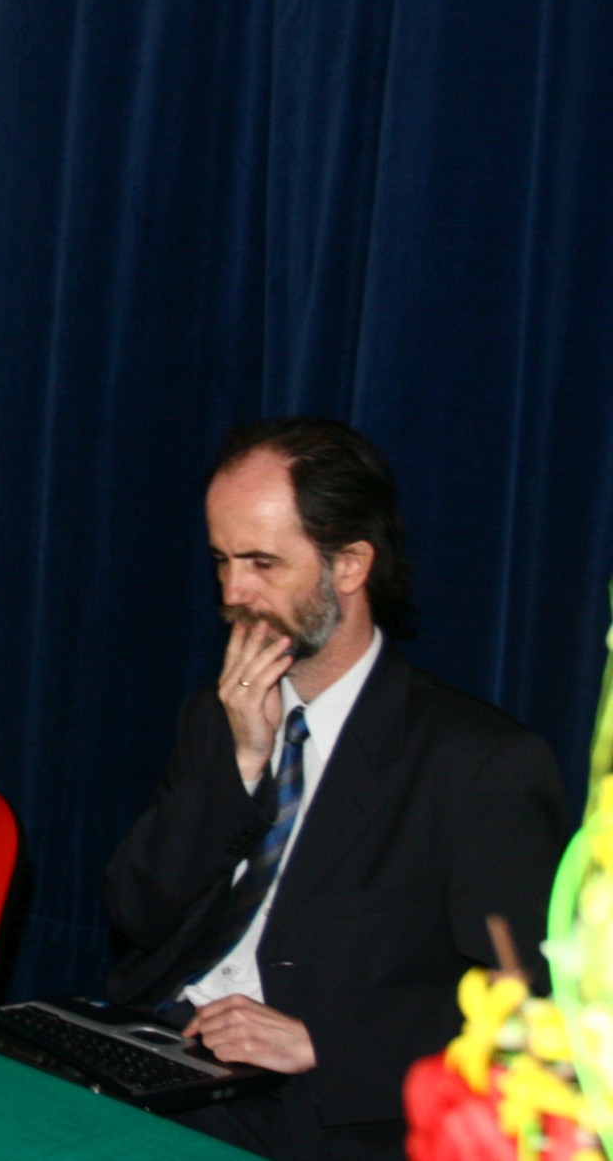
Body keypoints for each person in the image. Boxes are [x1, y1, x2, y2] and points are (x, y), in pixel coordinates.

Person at [104, 418, 566, 1159]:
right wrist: (242, 764)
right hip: (162, 1042)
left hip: (322, 1100)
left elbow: (526, 1006)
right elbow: (137, 911)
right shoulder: (218, 713)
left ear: (349, 565)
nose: (233, 591)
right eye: (222, 560)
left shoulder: (479, 762)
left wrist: (323, 1038)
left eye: (262, 563)